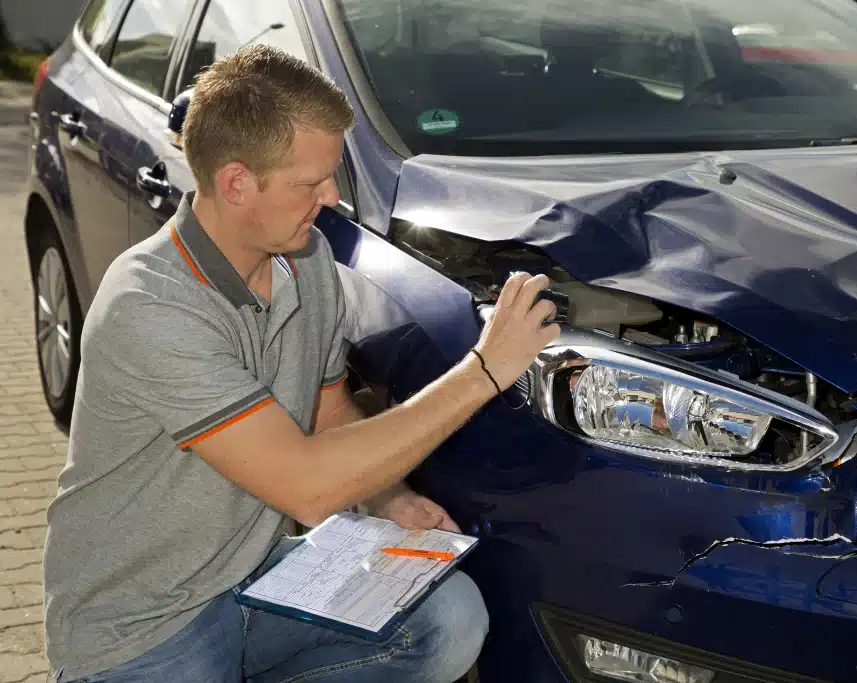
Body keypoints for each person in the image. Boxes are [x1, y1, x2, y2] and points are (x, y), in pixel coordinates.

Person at [42, 44, 560, 683]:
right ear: (236, 183)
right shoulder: (149, 304)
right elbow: (307, 488)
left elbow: (324, 411)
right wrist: (483, 371)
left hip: (252, 579)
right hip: (141, 630)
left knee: (446, 619)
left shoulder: (307, 259)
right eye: (310, 183)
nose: (332, 198)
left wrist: (389, 497)